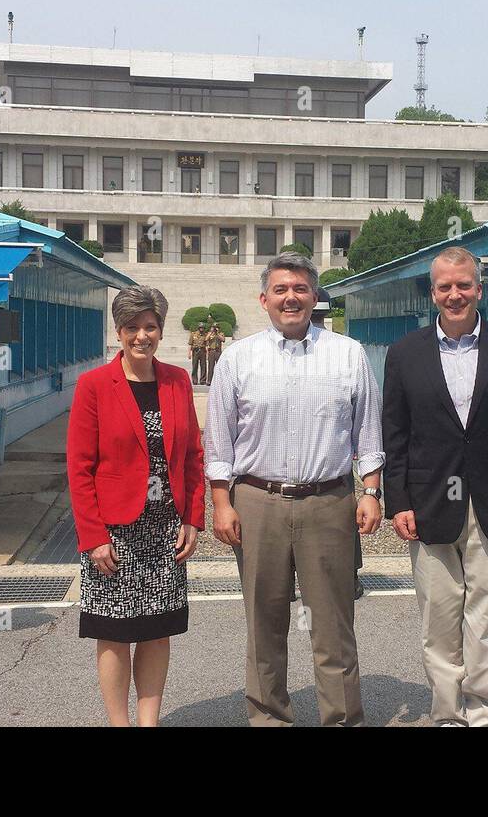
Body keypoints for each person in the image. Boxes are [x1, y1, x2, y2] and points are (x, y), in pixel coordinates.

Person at [206, 251, 384, 727]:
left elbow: (367, 430)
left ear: (314, 297)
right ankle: (269, 718)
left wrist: (371, 490)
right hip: (257, 501)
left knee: (333, 626)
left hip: (329, 502)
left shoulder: (347, 354)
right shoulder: (237, 358)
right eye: (281, 290)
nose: (291, 298)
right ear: (264, 299)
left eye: (301, 289)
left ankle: (342, 718)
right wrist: (221, 503)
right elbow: (219, 442)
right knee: (264, 626)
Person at [382, 246, 488, 726]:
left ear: (479, 287)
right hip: (430, 499)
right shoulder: (405, 352)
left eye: (464, 285)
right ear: (432, 292)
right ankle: (448, 715)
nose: (454, 295)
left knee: (487, 615)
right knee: (439, 616)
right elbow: (395, 434)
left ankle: (487, 712)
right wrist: (399, 502)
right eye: (444, 287)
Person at [66, 285, 204, 727]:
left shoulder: (177, 380)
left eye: (150, 326)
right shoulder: (93, 385)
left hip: (165, 528)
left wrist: (192, 518)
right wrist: (93, 537)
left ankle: (149, 720)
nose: (142, 336)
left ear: (161, 330)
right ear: (119, 332)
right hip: (114, 531)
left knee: (156, 628)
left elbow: (193, 456)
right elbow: (79, 467)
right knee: (112, 631)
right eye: (132, 328)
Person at [310, 289, 364, 601]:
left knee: (344, 524)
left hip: (334, 454)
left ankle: (349, 575)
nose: (315, 322)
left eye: (318, 317)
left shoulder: (342, 351)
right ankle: (347, 577)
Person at [203, 321, 225, 385]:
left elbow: (223, 340)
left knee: (219, 367)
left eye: (217, 327)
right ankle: (209, 380)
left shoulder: (221, 334)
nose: (215, 328)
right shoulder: (210, 333)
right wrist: (211, 332)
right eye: (214, 327)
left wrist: (217, 333)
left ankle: (219, 381)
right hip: (211, 352)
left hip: (218, 351)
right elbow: (206, 339)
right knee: (210, 367)